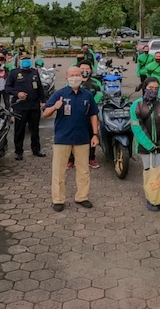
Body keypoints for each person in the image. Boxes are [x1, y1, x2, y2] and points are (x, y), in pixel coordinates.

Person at [43, 66, 99, 212]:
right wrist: (55, 107)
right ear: (66, 78)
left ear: (82, 77)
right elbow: (45, 113)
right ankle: (58, 199)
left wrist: (95, 134)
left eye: (77, 74)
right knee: (59, 171)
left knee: (83, 170)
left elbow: (93, 115)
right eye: (72, 75)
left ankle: (82, 197)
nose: (75, 77)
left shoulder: (87, 95)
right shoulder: (59, 94)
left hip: (82, 138)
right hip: (63, 138)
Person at [131, 77, 160, 211]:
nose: (153, 91)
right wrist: (149, 145)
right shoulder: (137, 105)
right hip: (146, 147)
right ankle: (151, 198)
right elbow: (137, 127)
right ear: (144, 88)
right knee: (150, 173)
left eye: (156, 88)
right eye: (150, 88)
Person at [6, 54, 47, 160]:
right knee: (19, 130)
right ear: (19, 61)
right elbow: (8, 88)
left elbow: (40, 88)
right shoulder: (14, 73)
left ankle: (36, 150)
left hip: (34, 106)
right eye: (23, 59)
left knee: (35, 130)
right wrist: (17, 93)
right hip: (20, 106)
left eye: (28, 59)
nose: (26, 61)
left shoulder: (34, 72)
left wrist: (43, 101)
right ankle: (18, 152)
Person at [68, 61, 102, 169]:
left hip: (91, 113)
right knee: (72, 136)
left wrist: (91, 102)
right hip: (75, 114)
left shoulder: (96, 82)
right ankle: (71, 160)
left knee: (92, 134)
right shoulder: (73, 81)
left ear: (91, 70)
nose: (85, 71)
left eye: (87, 69)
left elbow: (101, 93)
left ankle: (91, 158)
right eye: (82, 69)